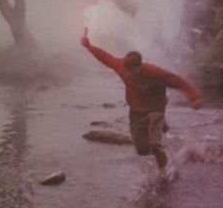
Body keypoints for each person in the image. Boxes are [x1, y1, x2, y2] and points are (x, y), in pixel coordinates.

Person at [81, 32, 201, 180]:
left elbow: (177, 81)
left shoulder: (154, 72)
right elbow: (104, 57)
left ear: (140, 65)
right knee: (142, 150)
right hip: (136, 110)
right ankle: (162, 127)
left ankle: (165, 171)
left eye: (133, 70)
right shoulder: (121, 66)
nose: (130, 74)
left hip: (156, 109)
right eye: (128, 70)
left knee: (155, 144)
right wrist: (89, 46)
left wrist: (194, 97)